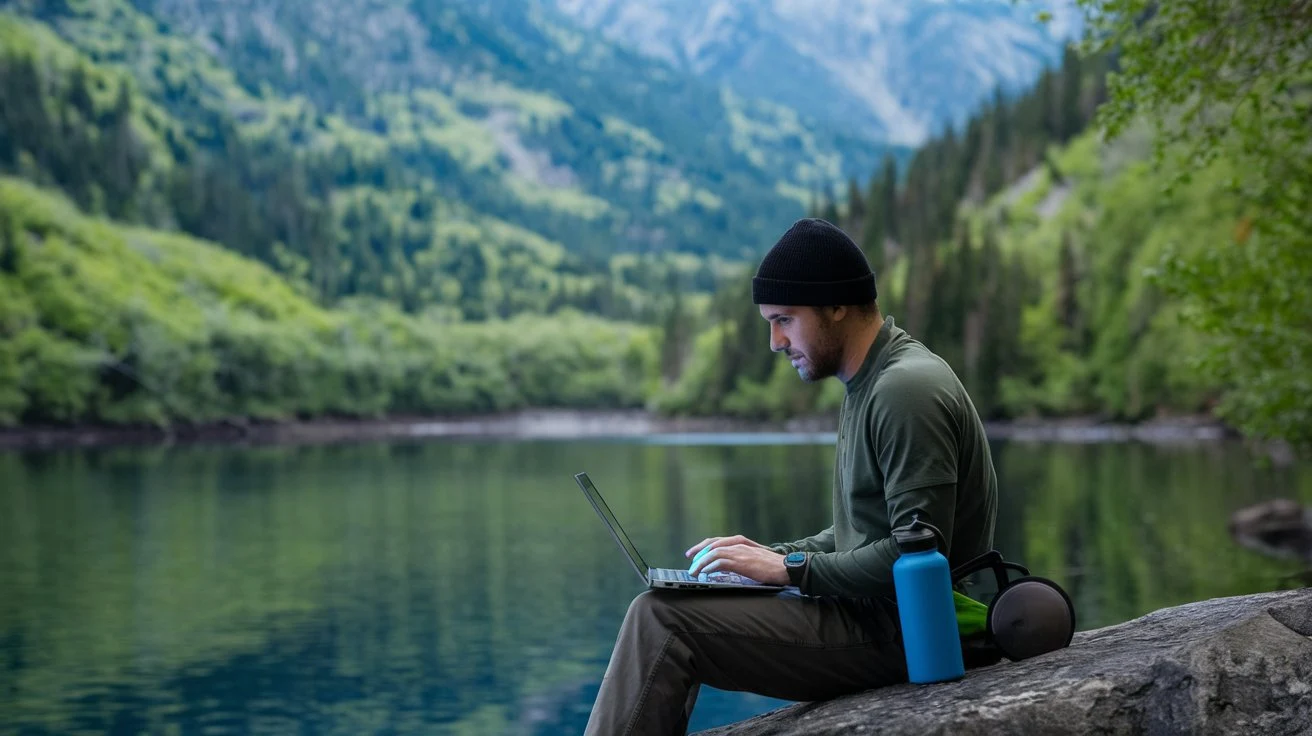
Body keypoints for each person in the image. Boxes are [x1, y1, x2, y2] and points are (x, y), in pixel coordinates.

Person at [585, 218, 999, 736]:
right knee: (675, 600)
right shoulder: (871, 382)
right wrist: (771, 558)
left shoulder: (904, 389)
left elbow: (916, 553)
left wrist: (791, 571)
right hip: (878, 616)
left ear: (837, 306)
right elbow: (862, 531)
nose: (775, 341)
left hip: (918, 630)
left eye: (784, 319)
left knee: (661, 620)